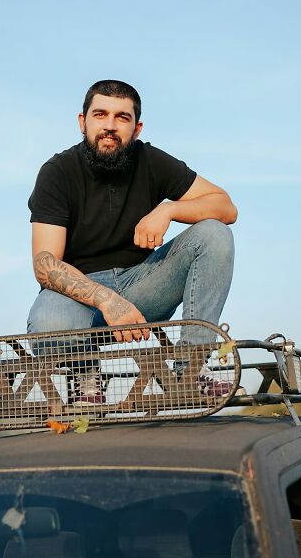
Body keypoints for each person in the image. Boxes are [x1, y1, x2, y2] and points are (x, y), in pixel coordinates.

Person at [27, 79, 237, 405]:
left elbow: (226, 207)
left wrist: (170, 209)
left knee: (215, 233)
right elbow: (44, 264)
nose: (110, 126)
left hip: (143, 283)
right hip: (81, 297)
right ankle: (86, 379)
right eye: (100, 114)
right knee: (48, 321)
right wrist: (106, 300)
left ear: (136, 128)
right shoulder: (57, 172)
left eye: (121, 118)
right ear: (83, 122)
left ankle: (192, 368)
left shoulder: (150, 160)